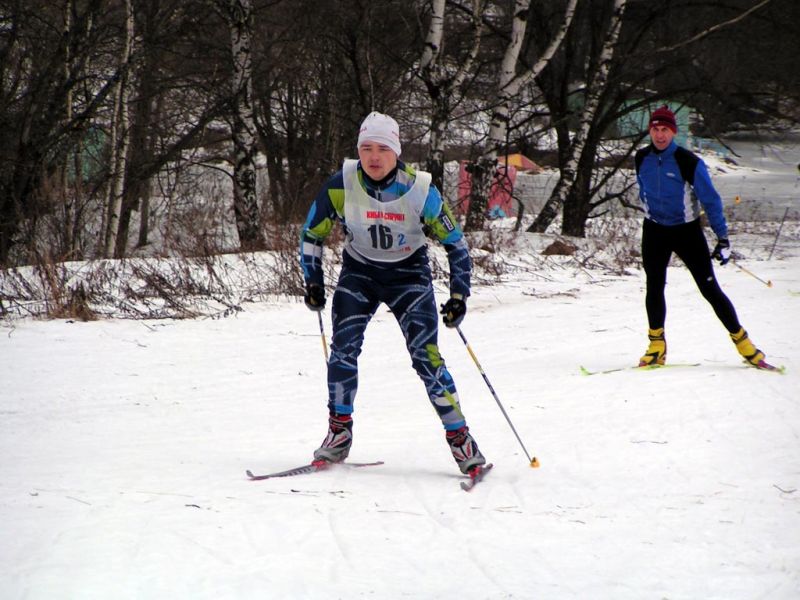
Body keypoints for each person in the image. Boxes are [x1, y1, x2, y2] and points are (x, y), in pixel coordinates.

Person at [299, 111, 487, 475]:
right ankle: (338, 433)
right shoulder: (341, 184)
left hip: (408, 275)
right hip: (360, 273)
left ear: (396, 151)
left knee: (426, 357)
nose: (373, 157)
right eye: (366, 148)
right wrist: (314, 281)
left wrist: (459, 296)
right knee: (343, 350)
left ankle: (461, 439)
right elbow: (311, 234)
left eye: (382, 149)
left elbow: (456, 244)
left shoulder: (419, 189)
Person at [634, 105, 770, 369]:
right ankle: (656, 346)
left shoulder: (688, 161)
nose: (660, 135)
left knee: (709, 289)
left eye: (665, 130)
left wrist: (723, 238)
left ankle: (745, 345)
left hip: (686, 231)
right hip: (655, 230)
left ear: (673, 132)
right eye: (655, 129)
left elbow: (711, 200)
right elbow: (643, 190)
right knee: (654, 286)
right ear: (650, 131)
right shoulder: (641, 158)